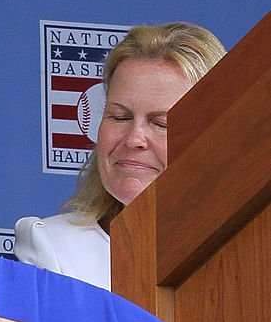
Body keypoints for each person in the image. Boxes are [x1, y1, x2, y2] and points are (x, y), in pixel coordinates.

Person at [14, 22, 225, 289]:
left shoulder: (252, 250)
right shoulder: (54, 247)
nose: (134, 138)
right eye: (120, 117)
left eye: (161, 123)